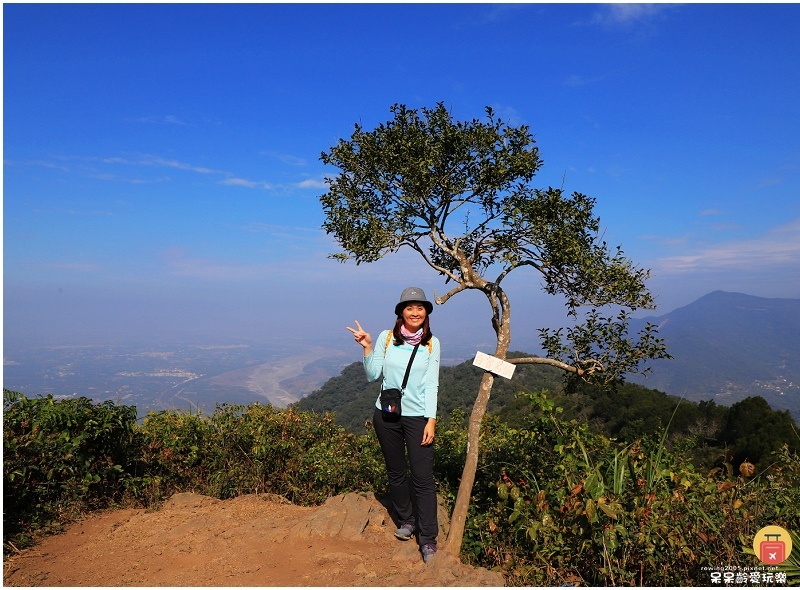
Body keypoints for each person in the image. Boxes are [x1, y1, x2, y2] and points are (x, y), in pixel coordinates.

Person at [347, 287, 441, 564]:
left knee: (423, 478)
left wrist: (431, 420)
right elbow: (372, 375)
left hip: (418, 418)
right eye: (409, 307)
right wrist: (367, 346)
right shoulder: (386, 338)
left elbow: (432, 384)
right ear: (400, 312)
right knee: (396, 472)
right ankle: (407, 520)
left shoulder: (432, 344)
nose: (415, 312)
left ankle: (428, 540)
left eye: (420, 308)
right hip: (386, 415)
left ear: (426, 313)